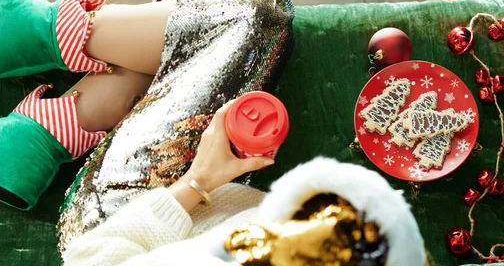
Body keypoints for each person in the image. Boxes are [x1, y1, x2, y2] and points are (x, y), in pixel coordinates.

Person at [62, 102, 426, 266]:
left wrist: (197, 181)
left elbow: (86, 256)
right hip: (207, 196)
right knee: (261, 26)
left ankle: (51, 39)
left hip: (111, 219)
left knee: (257, 22)